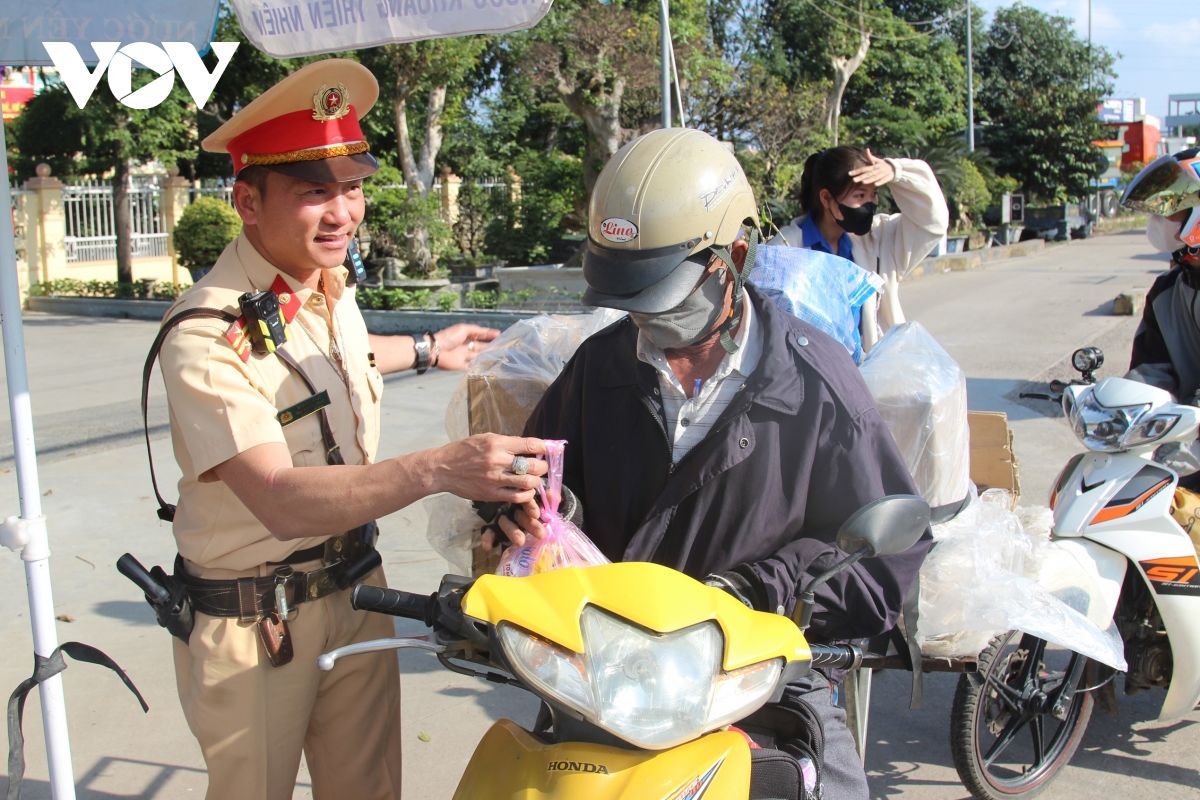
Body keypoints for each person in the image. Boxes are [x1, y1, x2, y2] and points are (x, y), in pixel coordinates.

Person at [486, 128, 931, 798]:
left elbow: (883, 565)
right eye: (628, 299)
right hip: (607, 681)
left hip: (758, 686)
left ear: (737, 257)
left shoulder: (816, 383)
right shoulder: (598, 368)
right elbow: (529, 483)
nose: (644, 320)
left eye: (660, 294)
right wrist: (527, 514)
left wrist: (766, 587)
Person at [157, 59, 548, 800]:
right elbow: (278, 496)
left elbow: (325, 365)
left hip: (356, 590)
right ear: (246, 200)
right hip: (255, 622)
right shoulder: (204, 334)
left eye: (354, 187)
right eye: (314, 193)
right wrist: (437, 468)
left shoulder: (320, 285)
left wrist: (430, 349)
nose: (343, 212)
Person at [771, 146, 948, 353]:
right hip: (813, 374)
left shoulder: (880, 239)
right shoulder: (785, 249)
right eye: (860, 195)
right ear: (827, 198)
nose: (870, 204)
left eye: (874, 194)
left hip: (873, 375)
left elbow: (933, 221)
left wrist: (897, 171)